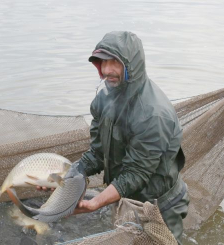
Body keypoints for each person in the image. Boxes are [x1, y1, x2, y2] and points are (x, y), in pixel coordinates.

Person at [72, 31, 189, 244]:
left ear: (131, 66)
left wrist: (96, 202)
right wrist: (68, 175)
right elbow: (97, 153)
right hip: (125, 196)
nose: (107, 70)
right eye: (102, 62)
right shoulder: (103, 99)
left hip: (160, 206)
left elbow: (136, 173)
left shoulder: (153, 114)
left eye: (114, 62)